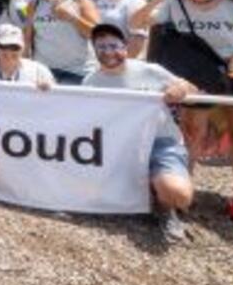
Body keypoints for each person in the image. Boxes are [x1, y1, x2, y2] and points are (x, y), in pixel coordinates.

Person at [130, 0, 233, 223]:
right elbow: (136, 24)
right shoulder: (175, 3)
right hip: (197, 77)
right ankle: (183, 190)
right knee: (192, 131)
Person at [81, 23, 197, 243]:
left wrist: (181, 88)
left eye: (114, 45)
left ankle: (165, 207)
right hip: (116, 146)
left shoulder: (150, 71)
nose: (108, 52)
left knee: (179, 195)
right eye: (101, 47)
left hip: (160, 142)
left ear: (125, 46)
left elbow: (191, 88)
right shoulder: (91, 82)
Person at [25, 0, 99, 85]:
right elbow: (28, 38)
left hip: (77, 71)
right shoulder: (34, 4)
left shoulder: (80, 1)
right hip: (45, 71)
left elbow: (97, 35)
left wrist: (72, 18)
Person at [0, 23, 56, 89]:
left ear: (22, 49)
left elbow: (56, 95)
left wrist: (47, 89)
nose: (10, 51)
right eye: (4, 46)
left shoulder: (38, 71)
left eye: (15, 47)